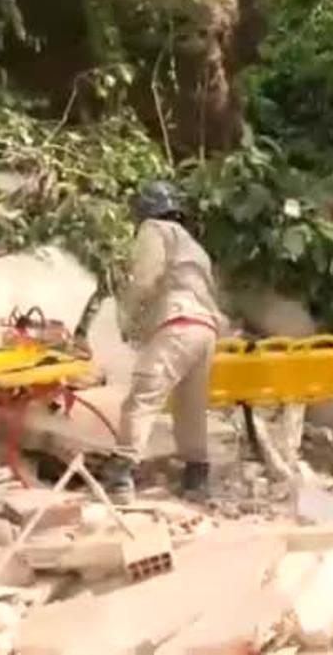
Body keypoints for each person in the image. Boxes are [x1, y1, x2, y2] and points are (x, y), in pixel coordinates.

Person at [106, 181, 225, 504]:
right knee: (191, 406)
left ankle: (120, 475)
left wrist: (127, 318)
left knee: (143, 397)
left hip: (178, 320)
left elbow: (145, 278)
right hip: (205, 328)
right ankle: (196, 478)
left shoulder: (153, 229)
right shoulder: (194, 246)